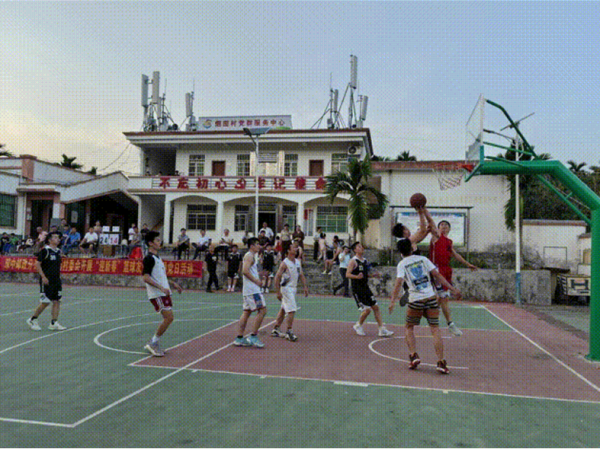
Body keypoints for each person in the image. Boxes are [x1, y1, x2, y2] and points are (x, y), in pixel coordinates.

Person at [389, 238, 462, 374]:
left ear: (400, 252)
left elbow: (398, 283)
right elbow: (437, 275)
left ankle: (413, 355)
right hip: (430, 297)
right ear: (412, 248)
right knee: (435, 329)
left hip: (415, 299)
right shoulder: (423, 259)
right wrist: (452, 289)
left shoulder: (402, 264)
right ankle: (441, 362)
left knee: (409, 327)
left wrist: (392, 300)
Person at [429, 220, 478, 337]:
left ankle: (432, 316)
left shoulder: (449, 242)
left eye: (446, 225)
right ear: (438, 228)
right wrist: (424, 212)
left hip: (446, 270)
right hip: (437, 270)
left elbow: (456, 255)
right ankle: (450, 324)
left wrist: (467, 264)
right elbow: (431, 223)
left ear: (449, 229)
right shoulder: (436, 237)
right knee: (444, 298)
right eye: (441, 225)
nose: (444, 227)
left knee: (441, 298)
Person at [141, 231, 183, 356]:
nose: (160, 242)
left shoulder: (158, 258)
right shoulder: (149, 258)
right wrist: (161, 288)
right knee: (168, 317)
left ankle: (154, 342)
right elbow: (145, 277)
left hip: (163, 293)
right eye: (157, 240)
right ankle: (153, 342)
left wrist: (172, 283)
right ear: (150, 243)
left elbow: (161, 276)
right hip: (157, 294)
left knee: (169, 318)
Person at [346, 242, 394, 337]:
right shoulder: (353, 261)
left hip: (365, 287)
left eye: (361, 246)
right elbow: (347, 274)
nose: (362, 248)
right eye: (359, 247)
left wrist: (373, 275)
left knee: (376, 307)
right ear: (355, 250)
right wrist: (356, 277)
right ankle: (358, 325)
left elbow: (365, 274)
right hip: (357, 289)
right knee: (367, 310)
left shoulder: (365, 261)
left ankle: (381, 329)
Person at [26, 231, 67, 331]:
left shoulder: (58, 251)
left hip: (56, 279)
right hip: (47, 280)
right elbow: (37, 264)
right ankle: (33, 319)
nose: (58, 239)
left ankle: (54, 322)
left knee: (57, 301)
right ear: (49, 240)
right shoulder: (45, 251)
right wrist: (43, 277)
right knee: (45, 302)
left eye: (58, 237)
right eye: (55, 237)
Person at [233, 237, 267, 348]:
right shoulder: (249, 256)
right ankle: (253, 336)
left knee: (246, 312)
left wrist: (260, 275)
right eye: (257, 244)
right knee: (262, 310)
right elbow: (245, 271)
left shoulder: (252, 256)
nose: (259, 246)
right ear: (251, 246)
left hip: (248, 290)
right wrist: (256, 281)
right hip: (252, 290)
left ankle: (239, 338)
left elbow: (249, 271)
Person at [271, 245, 309, 341]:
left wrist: (305, 287)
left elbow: (301, 275)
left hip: (293, 288)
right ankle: (289, 331)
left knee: (284, 309)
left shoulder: (297, 262)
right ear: (288, 250)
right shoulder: (285, 263)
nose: (295, 249)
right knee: (292, 310)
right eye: (293, 248)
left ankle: (276, 328)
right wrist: (278, 292)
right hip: (286, 288)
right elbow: (277, 277)